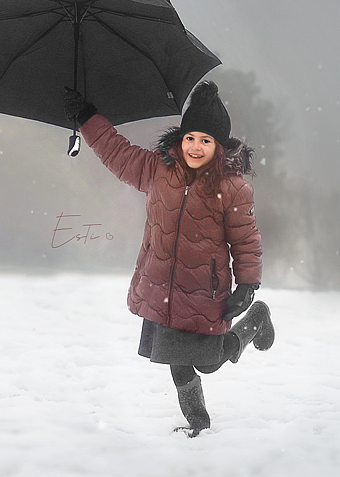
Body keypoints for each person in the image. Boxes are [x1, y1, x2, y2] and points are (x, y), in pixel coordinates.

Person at [64, 80, 275, 437]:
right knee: (178, 364)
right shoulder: (158, 169)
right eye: (190, 137)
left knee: (208, 364)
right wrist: (87, 118)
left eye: (206, 141)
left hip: (205, 293)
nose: (195, 146)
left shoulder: (232, 188)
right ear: (181, 138)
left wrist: (248, 285)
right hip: (163, 288)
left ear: (219, 147)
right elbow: (117, 152)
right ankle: (199, 424)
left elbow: (246, 241)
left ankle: (257, 318)